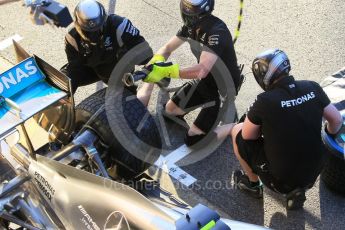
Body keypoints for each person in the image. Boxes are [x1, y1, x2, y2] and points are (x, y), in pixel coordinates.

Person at [216, 49, 343, 209]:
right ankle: (298, 188)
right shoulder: (312, 87)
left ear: (263, 77)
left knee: (237, 131)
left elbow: (247, 136)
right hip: (314, 173)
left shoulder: (265, 101)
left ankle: (253, 184)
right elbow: (336, 120)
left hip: (279, 180)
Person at [138, 0, 242, 147]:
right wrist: (154, 64)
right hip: (205, 82)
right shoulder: (190, 26)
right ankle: (207, 111)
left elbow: (201, 70)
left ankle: (235, 126)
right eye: (186, 16)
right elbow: (167, 48)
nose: (188, 20)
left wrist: (167, 71)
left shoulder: (217, 32)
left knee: (194, 141)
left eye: (192, 17)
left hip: (223, 87)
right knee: (169, 112)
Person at [61, 0, 153, 98]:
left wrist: (129, 55)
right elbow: (75, 66)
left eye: (98, 29)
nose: (93, 35)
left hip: (116, 68)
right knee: (64, 81)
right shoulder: (72, 38)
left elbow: (146, 54)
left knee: (124, 99)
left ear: (104, 20)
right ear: (77, 25)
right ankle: (62, 108)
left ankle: (128, 94)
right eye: (87, 31)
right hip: (90, 66)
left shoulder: (120, 26)